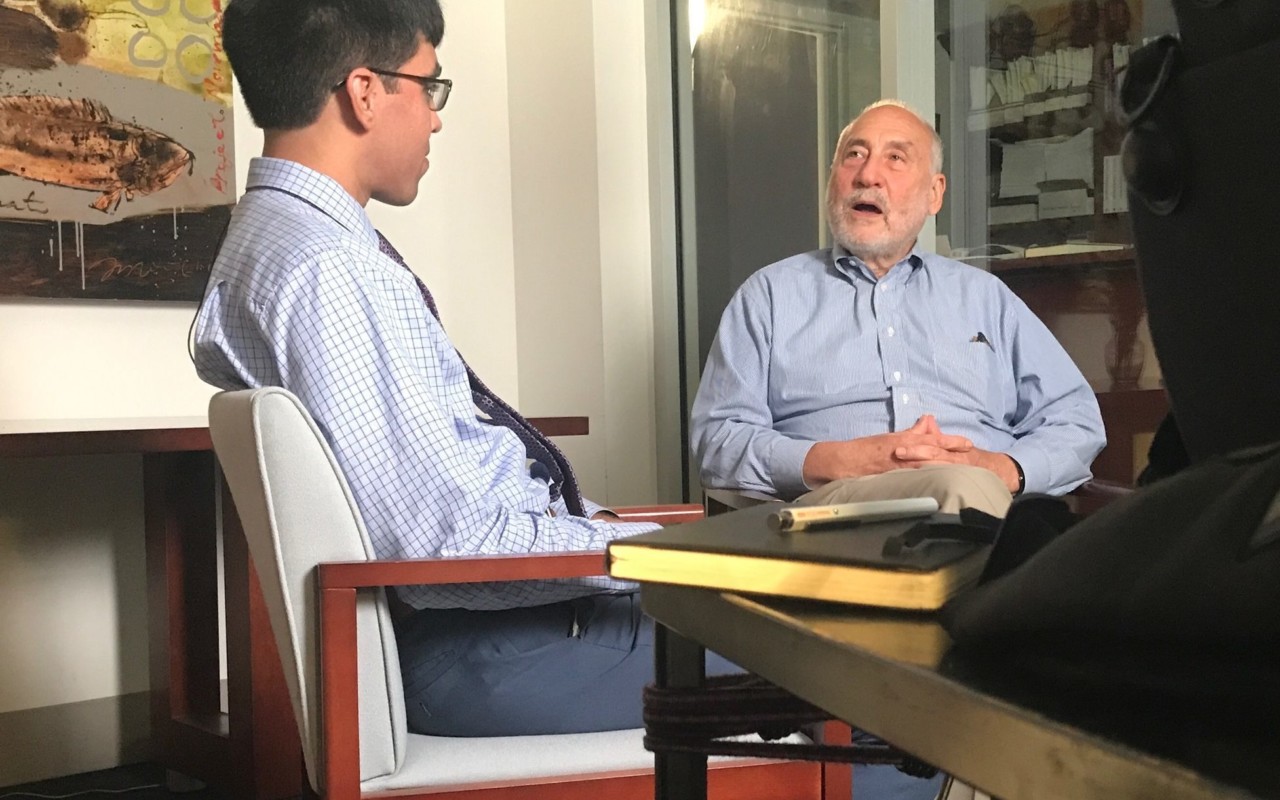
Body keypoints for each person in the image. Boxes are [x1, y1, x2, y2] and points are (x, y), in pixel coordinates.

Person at [192, 0, 736, 738]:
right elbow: (446, 542)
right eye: (428, 87)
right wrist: (655, 551)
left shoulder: (271, 240)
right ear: (364, 92)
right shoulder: (333, 270)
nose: (435, 118)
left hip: (491, 627)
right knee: (848, 672)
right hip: (484, 650)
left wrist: (613, 534)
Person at [691, 100, 1106, 518]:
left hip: (983, 498)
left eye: (895, 158)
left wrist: (999, 468)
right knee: (968, 502)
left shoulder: (986, 298)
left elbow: (1077, 421)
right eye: (854, 155)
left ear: (934, 193)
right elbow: (718, 439)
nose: (867, 175)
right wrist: (844, 460)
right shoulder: (769, 296)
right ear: (831, 180)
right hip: (831, 512)